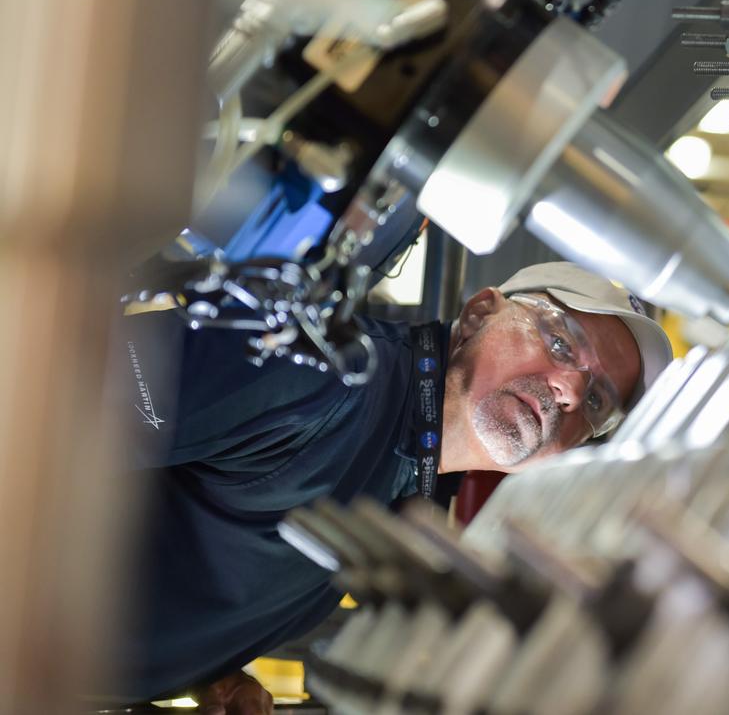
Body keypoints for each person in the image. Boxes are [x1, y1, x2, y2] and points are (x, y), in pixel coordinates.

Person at [110, 261, 673, 710]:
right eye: (560, 344)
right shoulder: (326, 369)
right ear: (479, 314)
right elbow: (40, 393)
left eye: (597, 400)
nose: (571, 390)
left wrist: (207, 666)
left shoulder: (411, 497)